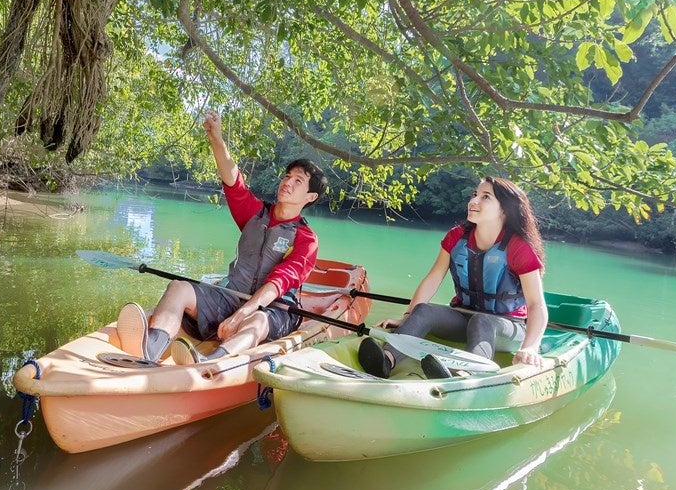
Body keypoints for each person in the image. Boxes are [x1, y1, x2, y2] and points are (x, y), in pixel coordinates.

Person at [117, 111, 326, 364]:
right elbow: (233, 181)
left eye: (298, 181)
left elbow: (279, 282)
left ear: (310, 197)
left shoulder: (306, 239)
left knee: (257, 321)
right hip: (232, 296)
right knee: (178, 287)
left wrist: (241, 315)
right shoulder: (255, 214)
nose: (287, 183)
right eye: (287, 176)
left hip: (274, 309)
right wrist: (216, 137)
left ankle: (210, 363)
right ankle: (148, 353)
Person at [358, 176, 549, 379]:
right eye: (475, 195)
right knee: (423, 310)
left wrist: (530, 347)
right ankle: (387, 360)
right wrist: (407, 317)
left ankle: (464, 375)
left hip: (508, 327)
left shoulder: (519, 247)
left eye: (485, 197)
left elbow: (536, 305)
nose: (474, 201)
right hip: (462, 316)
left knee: (482, 321)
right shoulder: (456, 236)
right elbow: (433, 279)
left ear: (504, 209)